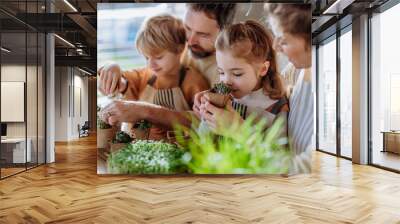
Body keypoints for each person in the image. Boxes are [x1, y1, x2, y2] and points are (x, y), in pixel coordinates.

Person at [99, 3, 237, 130]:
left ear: (225, 32)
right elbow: (130, 80)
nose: (189, 40)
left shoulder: (225, 74)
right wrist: (112, 67)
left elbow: (202, 122)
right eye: (187, 28)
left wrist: (145, 111)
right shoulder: (177, 52)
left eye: (203, 34)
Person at [99, 15, 209, 140]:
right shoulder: (144, 75)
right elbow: (123, 82)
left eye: (158, 57)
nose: (151, 64)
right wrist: (112, 67)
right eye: (146, 57)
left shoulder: (193, 82)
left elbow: (202, 122)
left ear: (180, 49)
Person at [199, 20, 289, 137]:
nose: (226, 81)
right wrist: (206, 117)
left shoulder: (276, 107)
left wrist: (238, 130)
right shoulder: (220, 97)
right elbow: (201, 141)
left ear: (263, 69)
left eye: (237, 74)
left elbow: (277, 153)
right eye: (221, 72)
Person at [265, 4, 313, 173]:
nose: (275, 47)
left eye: (283, 40)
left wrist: (237, 129)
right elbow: (267, 81)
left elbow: (300, 169)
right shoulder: (297, 70)